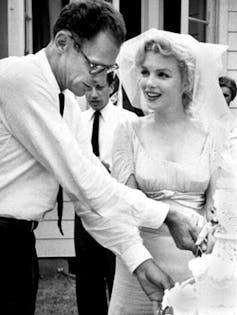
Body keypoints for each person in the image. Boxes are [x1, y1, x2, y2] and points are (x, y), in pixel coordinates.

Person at [0, 2, 205, 314]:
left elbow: (90, 201)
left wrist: (139, 260)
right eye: (95, 65)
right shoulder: (19, 78)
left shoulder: (67, 104)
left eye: (108, 71)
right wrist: (167, 214)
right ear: (63, 43)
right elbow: (85, 181)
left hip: (19, 246)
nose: (99, 79)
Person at [108, 29, 231, 315]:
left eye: (163, 75)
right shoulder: (128, 130)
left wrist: (215, 233)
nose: (149, 83)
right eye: (145, 72)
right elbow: (124, 205)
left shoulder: (212, 134)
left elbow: (216, 205)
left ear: (186, 81)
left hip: (195, 265)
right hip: (140, 264)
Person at [74, 72, 136, 315]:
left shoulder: (129, 121)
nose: (93, 95)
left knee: (117, 278)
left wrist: (109, 172)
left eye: (99, 87)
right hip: (86, 212)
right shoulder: (77, 121)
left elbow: (135, 169)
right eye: (88, 88)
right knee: (87, 283)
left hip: (117, 212)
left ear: (112, 86)